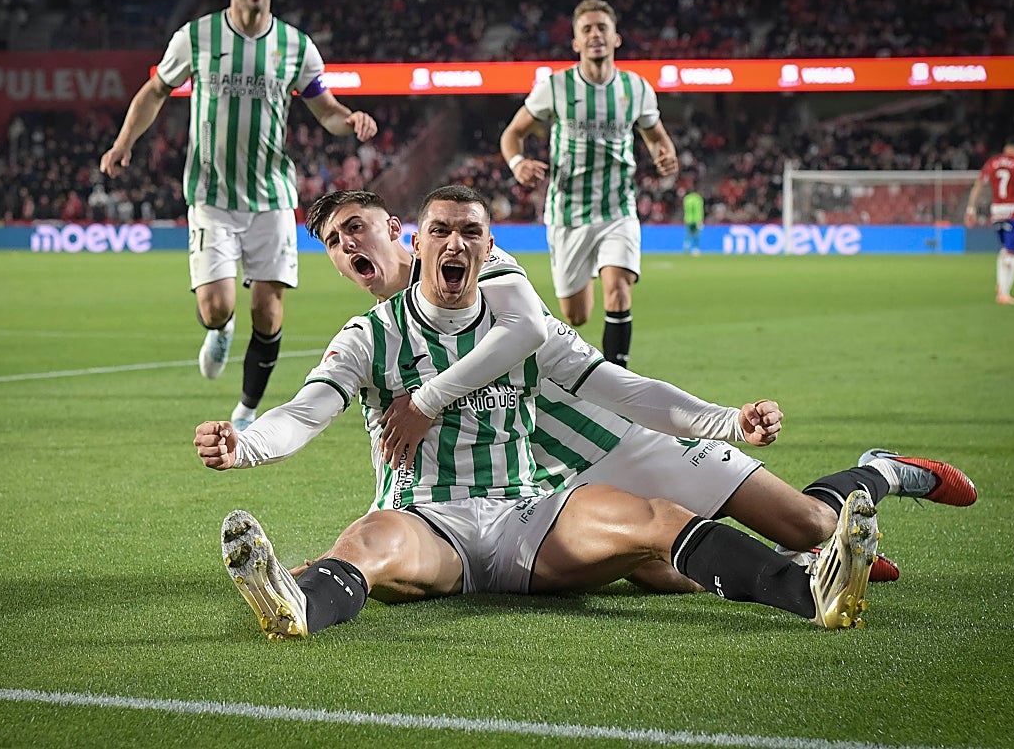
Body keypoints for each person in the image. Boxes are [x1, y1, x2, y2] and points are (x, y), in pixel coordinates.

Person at [198, 185, 891, 640]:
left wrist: (727, 421)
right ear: (419, 242)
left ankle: (811, 590)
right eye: (441, 231)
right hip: (429, 520)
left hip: (530, 510)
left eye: (470, 232)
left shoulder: (524, 326)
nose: (455, 243)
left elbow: (630, 391)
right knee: (366, 541)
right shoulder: (368, 336)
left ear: (488, 246)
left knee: (658, 523)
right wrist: (246, 445)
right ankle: (297, 605)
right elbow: (307, 412)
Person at [300, 189, 976, 589]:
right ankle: (797, 567)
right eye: (334, 241)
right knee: (664, 571)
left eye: (357, 227)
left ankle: (879, 472)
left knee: (811, 523)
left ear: (398, 230)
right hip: (546, 487)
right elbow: (409, 477)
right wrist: (349, 559)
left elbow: (530, 329)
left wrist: (428, 399)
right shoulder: (380, 332)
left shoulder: (479, 260)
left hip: (623, 437)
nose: (350, 246)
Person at [100, 0, 378, 430]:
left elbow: (326, 109)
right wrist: (124, 143)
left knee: (268, 313)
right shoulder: (197, 37)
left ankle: (247, 411)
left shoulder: (296, 46)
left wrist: (350, 119)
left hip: (271, 195)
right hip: (211, 194)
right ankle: (219, 329)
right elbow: (155, 90)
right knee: (216, 307)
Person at [500, 0, 678, 368]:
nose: (595, 34)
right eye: (587, 29)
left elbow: (656, 136)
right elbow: (512, 134)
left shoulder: (636, 88)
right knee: (576, 315)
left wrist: (665, 155)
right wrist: (518, 163)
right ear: (576, 43)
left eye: (602, 28)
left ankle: (618, 382)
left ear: (616, 38)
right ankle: (594, 272)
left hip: (618, 208)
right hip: (568, 213)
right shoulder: (555, 87)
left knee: (618, 289)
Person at [963, 135, 1014, 305]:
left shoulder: (992, 163)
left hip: (997, 212)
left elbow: (979, 185)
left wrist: (971, 209)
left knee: (1005, 250)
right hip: (1013, 211)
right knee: (1012, 253)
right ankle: (1004, 293)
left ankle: (1001, 285)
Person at [683, 188, 704, 255]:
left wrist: (685, 218)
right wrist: (700, 220)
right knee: (696, 234)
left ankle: (686, 246)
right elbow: (699, 210)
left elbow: (686, 209)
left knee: (689, 233)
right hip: (696, 219)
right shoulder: (698, 198)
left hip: (688, 219)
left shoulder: (687, 198)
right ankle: (696, 249)